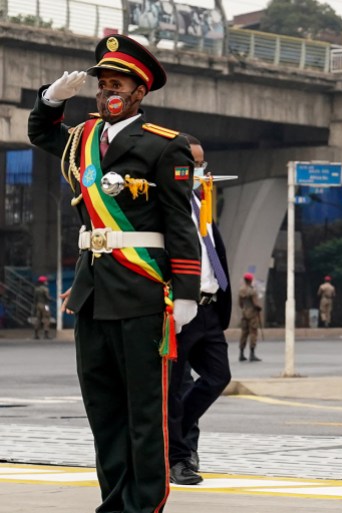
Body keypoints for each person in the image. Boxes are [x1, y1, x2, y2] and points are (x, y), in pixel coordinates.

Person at [28, 34, 201, 513]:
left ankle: (143, 504)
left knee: (144, 412)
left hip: (143, 292)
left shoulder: (166, 148)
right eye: (101, 85)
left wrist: (186, 292)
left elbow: (179, 224)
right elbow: (42, 135)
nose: (106, 93)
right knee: (103, 412)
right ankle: (115, 503)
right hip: (92, 294)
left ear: (140, 92)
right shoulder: (82, 140)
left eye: (117, 83)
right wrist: (50, 101)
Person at [167, 134, 232, 485]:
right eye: (191, 163)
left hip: (208, 308)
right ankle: (178, 459)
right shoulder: (165, 207)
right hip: (179, 309)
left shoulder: (200, 202)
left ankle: (176, 430)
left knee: (218, 376)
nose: (198, 170)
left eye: (201, 163)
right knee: (175, 387)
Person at [238, 273, 262, 361]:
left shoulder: (241, 290)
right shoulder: (252, 291)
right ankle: (252, 354)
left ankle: (241, 353)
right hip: (252, 314)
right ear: (251, 280)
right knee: (253, 333)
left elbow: (240, 303)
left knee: (244, 333)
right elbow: (256, 303)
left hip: (244, 313)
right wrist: (259, 308)